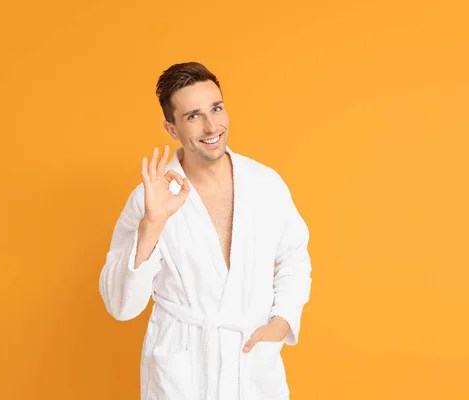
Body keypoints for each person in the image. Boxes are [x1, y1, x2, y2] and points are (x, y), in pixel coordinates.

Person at [98, 62, 312, 400]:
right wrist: (152, 225)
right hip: (184, 376)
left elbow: (294, 258)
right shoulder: (150, 198)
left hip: (252, 369)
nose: (212, 126)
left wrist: (281, 322)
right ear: (171, 129)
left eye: (217, 108)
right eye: (193, 116)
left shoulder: (265, 183)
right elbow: (121, 306)